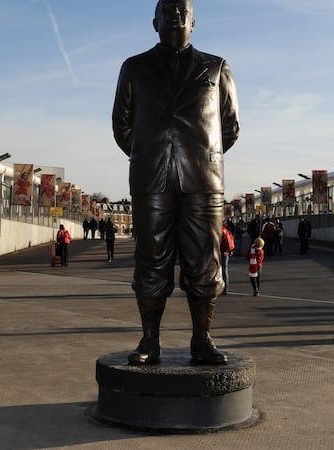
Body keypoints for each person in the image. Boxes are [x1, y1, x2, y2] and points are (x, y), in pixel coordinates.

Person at [112, 0, 240, 365]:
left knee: (204, 260)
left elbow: (229, 127)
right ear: (154, 22)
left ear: (194, 22)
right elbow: (122, 125)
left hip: (203, 179)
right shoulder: (134, 67)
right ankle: (149, 340)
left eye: (182, 7)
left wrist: (201, 154)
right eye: (167, 8)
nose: (175, 12)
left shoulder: (216, 67)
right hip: (151, 178)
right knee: (151, 259)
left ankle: (202, 339)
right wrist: (149, 152)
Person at [220, 222, 235, 295]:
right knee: (224, 270)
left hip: (221, 252)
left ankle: (220, 287)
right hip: (226, 252)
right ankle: (226, 288)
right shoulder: (227, 230)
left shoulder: (221, 230)